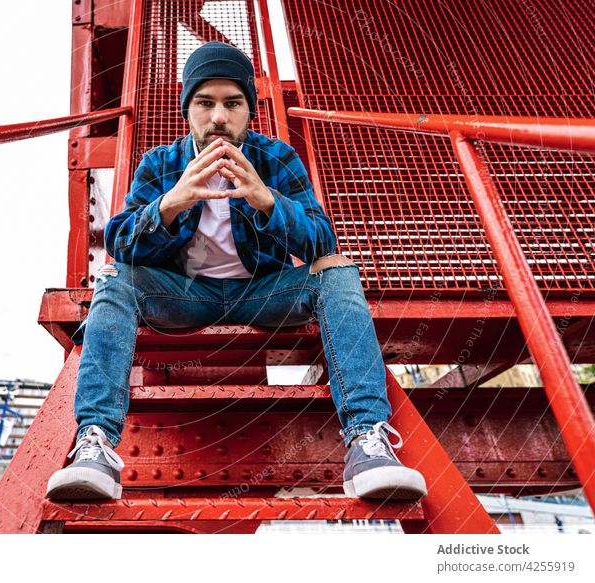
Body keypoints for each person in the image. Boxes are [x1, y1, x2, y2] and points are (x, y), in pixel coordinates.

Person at [46, 41, 427, 502]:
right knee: (113, 281)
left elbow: (322, 240)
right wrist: (170, 203)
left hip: (263, 293)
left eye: (233, 102)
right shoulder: (161, 164)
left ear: (249, 110)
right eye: (205, 103)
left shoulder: (277, 158)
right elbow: (120, 242)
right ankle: (97, 445)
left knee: (339, 272)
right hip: (183, 296)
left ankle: (368, 443)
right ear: (188, 111)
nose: (219, 117)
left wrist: (267, 200)